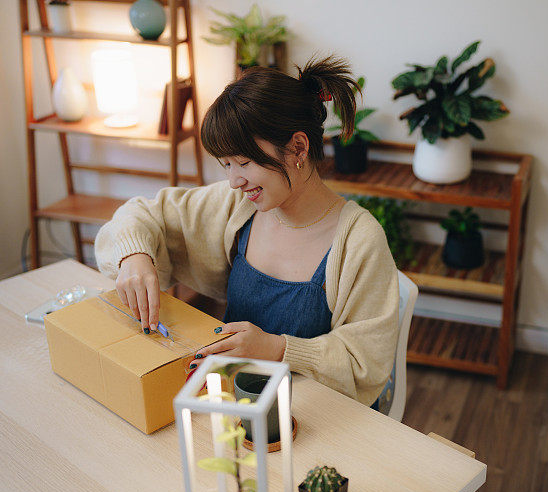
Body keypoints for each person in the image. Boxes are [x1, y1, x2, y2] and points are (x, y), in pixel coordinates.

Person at [94, 55, 400, 409]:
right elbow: (142, 213)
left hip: (317, 416)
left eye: (244, 162)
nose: (234, 181)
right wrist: (135, 255)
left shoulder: (359, 240)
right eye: (226, 165)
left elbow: (367, 362)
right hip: (235, 401)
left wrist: (279, 349)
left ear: (298, 148)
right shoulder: (240, 207)